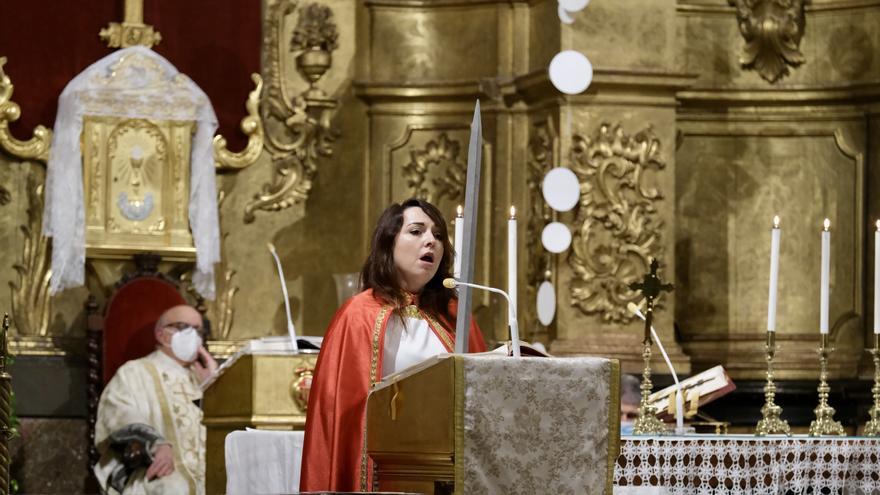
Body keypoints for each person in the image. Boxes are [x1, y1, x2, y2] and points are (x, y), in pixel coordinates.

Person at [301, 198, 488, 492]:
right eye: (416, 231)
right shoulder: (357, 314)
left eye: (438, 235)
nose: (431, 241)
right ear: (389, 242)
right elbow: (341, 416)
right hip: (386, 474)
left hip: (446, 470)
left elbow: (481, 397)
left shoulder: (455, 315)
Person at [94, 305, 218, 494]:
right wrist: (155, 444)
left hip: (210, 467)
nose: (193, 336)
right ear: (161, 335)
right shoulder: (135, 371)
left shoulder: (202, 377)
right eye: (184, 327)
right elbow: (120, 413)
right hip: (158, 466)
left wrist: (214, 386)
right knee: (174, 488)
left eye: (198, 330)